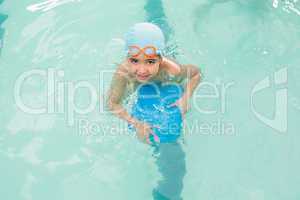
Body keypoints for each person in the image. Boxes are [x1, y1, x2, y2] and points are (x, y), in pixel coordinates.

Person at [106, 22, 201, 199]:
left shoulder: (171, 70)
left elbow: (196, 73)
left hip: (166, 85)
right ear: (127, 57)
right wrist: (135, 123)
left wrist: (185, 98)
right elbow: (112, 105)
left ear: (160, 59)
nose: (141, 70)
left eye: (150, 62)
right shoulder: (123, 73)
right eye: (134, 60)